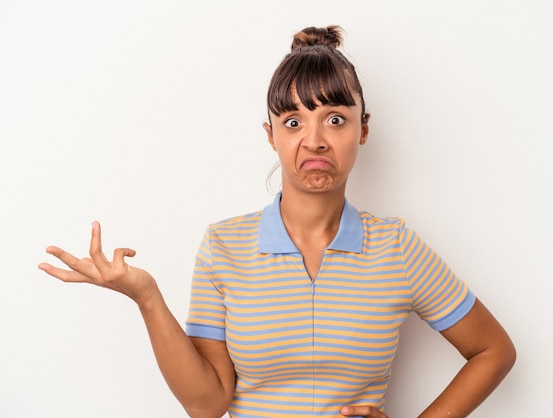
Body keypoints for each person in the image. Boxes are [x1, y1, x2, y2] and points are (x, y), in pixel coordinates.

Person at [39, 25, 516, 418]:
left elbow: (493, 350)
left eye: (335, 119)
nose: (314, 140)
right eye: (293, 121)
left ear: (363, 130)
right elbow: (207, 406)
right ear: (270, 136)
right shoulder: (223, 246)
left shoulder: (397, 248)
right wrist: (146, 297)